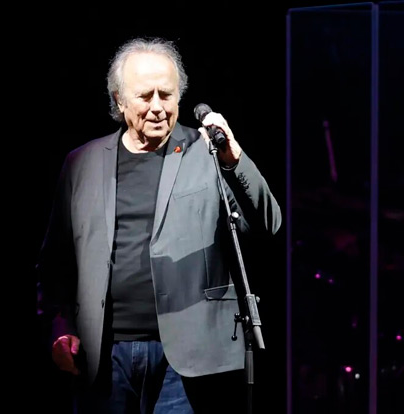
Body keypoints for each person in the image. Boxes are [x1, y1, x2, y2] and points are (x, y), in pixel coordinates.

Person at [36, 36, 282, 413]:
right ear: (119, 100)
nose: (156, 108)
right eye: (144, 96)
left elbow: (267, 223)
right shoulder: (81, 163)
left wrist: (234, 157)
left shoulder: (208, 154)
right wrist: (60, 326)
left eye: (165, 95)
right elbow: (55, 263)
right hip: (103, 357)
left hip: (186, 361)